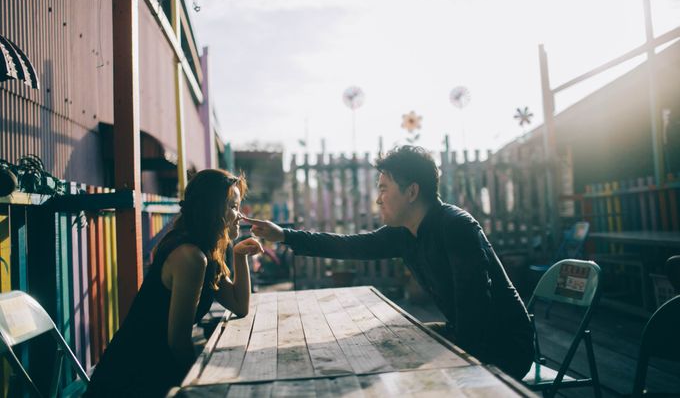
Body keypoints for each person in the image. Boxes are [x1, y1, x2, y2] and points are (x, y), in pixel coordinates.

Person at [245, 146, 534, 379]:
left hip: (504, 350)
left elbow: (475, 311)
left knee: (395, 359)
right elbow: (348, 245)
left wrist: (449, 368)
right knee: (382, 345)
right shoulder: (403, 234)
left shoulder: (456, 227)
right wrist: (284, 235)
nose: (378, 199)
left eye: (384, 189)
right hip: (466, 337)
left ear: (411, 191)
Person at [85, 169, 263, 397]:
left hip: (155, 370)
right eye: (232, 206)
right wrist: (200, 383)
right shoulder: (190, 256)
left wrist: (239, 256)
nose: (240, 215)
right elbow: (178, 341)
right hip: (131, 379)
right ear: (210, 209)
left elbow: (239, 305)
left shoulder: (205, 251)